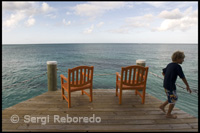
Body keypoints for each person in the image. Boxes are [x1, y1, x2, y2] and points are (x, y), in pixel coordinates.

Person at [159, 51, 192, 119]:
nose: (183, 60)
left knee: (171, 97)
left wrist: (167, 78)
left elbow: (163, 73)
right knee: (174, 99)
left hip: (165, 84)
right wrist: (187, 86)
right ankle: (168, 114)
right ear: (178, 58)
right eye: (182, 59)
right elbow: (182, 77)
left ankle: (162, 106)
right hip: (171, 86)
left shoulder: (169, 64)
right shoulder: (177, 66)